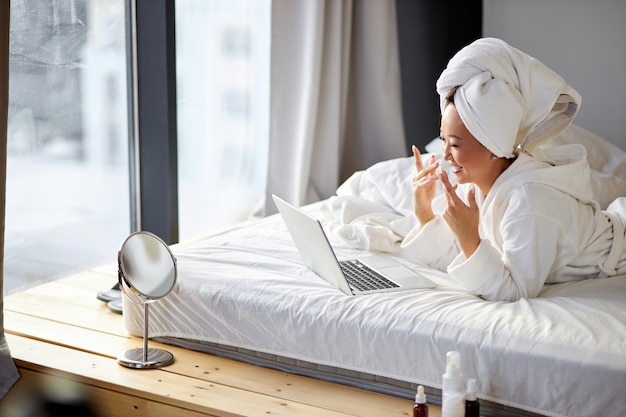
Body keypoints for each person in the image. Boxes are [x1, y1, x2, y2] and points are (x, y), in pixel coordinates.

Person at [402, 37, 626, 301]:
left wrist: (470, 238)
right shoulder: (476, 186)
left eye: (455, 143)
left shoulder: (528, 202)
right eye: (443, 139)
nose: (445, 154)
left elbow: (515, 291)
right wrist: (425, 213)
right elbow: (455, 252)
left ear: (493, 146)